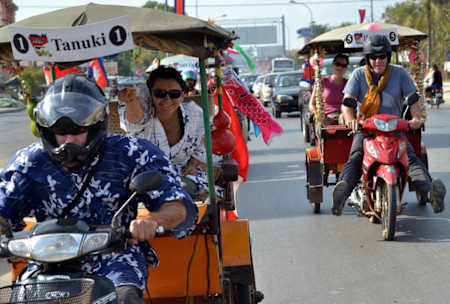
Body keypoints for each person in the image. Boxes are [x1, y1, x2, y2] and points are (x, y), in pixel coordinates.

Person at [0, 74, 198, 303]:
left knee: (124, 298)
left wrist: (152, 221)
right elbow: (4, 206)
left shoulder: (131, 152)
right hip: (47, 262)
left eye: (76, 132)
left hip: (113, 258)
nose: (68, 141)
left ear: (95, 126)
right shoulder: (29, 161)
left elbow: (176, 207)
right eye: (61, 133)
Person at [331, 34, 446, 216]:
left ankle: (431, 193)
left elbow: (413, 99)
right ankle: (342, 194)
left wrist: (416, 119)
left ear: (388, 57)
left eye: (382, 56)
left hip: (394, 129)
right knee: (356, 156)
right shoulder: (358, 75)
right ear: (368, 59)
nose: (378, 61)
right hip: (366, 129)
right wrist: (351, 120)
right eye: (373, 57)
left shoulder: (400, 73)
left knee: (411, 158)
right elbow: (347, 103)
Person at [118, 66, 222, 197]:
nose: (167, 99)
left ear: (183, 95)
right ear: (151, 95)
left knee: (183, 189)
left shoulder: (196, 115)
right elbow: (135, 120)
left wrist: (193, 165)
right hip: (143, 179)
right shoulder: (143, 114)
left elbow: (209, 137)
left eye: (174, 94)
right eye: (160, 94)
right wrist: (130, 100)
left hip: (185, 178)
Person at [308, 54, 349, 125]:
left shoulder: (349, 84)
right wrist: (319, 114)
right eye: (337, 64)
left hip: (343, 116)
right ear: (333, 65)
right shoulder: (322, 82)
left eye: (343, 65)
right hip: (326, 116)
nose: (340, 67)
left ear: (346, 68)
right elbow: (311, 105)